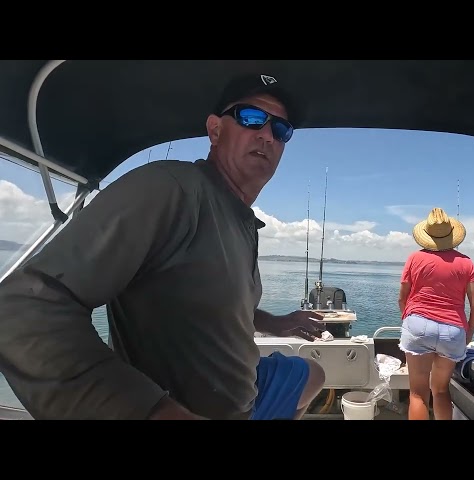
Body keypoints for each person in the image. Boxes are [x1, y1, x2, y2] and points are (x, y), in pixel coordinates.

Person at [0, 73, 327, 420]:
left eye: (281, 130)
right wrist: (154, 412)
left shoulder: (243, 223)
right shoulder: (171, 189)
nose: (266, 134)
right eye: (251, 118)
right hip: (189, 408)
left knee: (313, 374)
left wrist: (274, 324)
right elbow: (20, 309)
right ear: (215, 130)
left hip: (248, 393)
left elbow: (219, 307)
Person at [397, 207, 474, 420]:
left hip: (417, 324)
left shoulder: (414, 259)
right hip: (453, 331)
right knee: (441, 390)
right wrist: (468, 333)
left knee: (418, 393)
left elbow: (402, 298)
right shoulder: (466, 263)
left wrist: (409, 320)